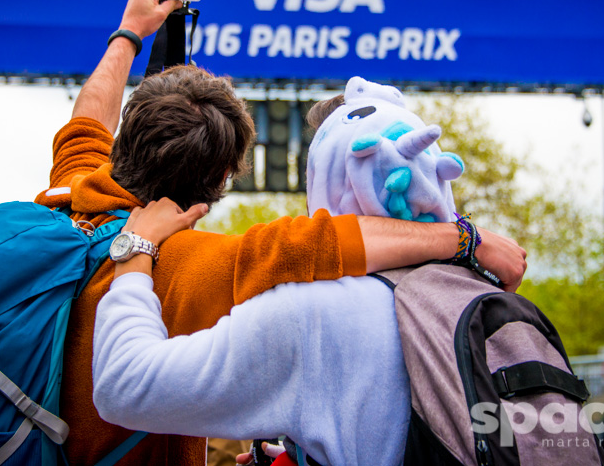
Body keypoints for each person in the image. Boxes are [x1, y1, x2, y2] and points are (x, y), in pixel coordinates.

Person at [36, 0, 528, 465]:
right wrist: (465, 239)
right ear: (222, 180)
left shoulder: (73, 192)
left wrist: (129, 32)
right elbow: (330, 242)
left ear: (124, 139)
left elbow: (88, 116)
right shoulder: (200, 264)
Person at [90, 77, 503, 465]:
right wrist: (463, 239)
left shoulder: (306, 315)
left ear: (324, 175)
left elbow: (123, 385)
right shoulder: (488, 293)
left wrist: (135, 251)